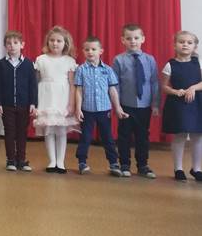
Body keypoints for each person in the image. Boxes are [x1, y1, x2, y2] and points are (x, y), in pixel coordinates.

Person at [73, 36, 126, 176]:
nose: (90, 52)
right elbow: (78, 90)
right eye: (87, 49)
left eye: (93, 49)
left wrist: (118, 108)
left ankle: (113, 163)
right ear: (83, 51)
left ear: (101, 51)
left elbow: (112, 90)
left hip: (104, 110)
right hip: (87, 110)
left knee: (108, 137)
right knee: (85, 137)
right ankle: (82, 162)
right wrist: (78, 109)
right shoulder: (81, 70)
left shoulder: (107, 70)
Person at [112, 23, 160, 178]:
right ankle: (125, 164)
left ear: (143, 39)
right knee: (124, 136)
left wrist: (155, 104)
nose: (133, 41)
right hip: (125, 105)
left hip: (144, 105)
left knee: (142, 136)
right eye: (128, 38)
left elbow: (154, 82)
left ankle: (143, 165)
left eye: (136, 38)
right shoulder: (118, 60)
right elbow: (114, 84)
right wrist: (117, 106)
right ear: (123, 40)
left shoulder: (149, 60)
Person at [34, 26, 78, 173]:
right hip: (46, 97)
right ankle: (52, 161)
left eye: (59, 41)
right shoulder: (41, 59)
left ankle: (61, 161)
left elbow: (72, 84)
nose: (55, 43)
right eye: (52, 40)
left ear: (65, 43)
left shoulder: (69, 61)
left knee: (61, 130)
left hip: (62, 98)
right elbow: (36, 82)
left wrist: (71, 104)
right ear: (48, 42)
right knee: (49, 129)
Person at [160, 30, 202, 182]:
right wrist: (175, 91)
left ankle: (197, 169)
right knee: (180, 134)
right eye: (181, 42)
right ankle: (178, 168)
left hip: (197, 102)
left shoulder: (198, 63)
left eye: (189, 43)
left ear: (194, 46)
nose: (185, 45)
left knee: (198, 135)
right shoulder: (170, 65)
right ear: (174, 45)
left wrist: (193, 88)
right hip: (178, 103)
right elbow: (164, 86)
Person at [0, 31, 37, 172]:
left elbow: (33, 85)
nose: (12, 46)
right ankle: (11, 160)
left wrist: (33, 103)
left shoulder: (28, 64)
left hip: (24, 105)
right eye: (9, 43)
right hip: (7, 106)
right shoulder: (1, 64)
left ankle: (21, 160)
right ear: (5, 46)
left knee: (22, 133)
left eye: (15, 43)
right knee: (10, 133)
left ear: (22, 45)